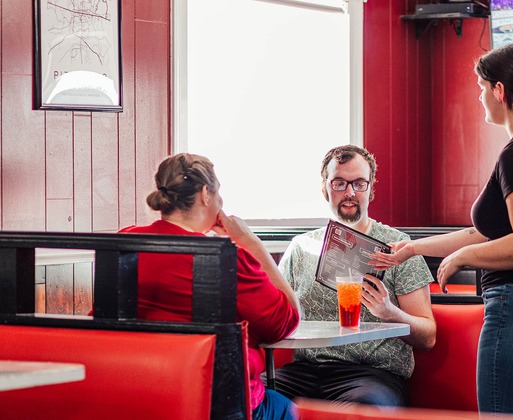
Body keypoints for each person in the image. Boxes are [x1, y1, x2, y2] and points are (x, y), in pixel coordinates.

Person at [370, 44, 513, 418]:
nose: (479, 96)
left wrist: (463, 258)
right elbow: (491, 232)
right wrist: (412, 249)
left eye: (481, 86)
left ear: (499, 90)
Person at [120, 153, 301, 420]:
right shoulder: (225, 257)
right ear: (206, 194)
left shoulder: (125, 241)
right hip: (216, 403)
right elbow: (285, 321)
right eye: (218, 192)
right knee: (289, 408)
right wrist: (251, 243)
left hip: (137, 392)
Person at [272, 144, 436, 407]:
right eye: (339, 183)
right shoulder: (301, 247)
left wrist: (389, 313)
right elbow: (275, 316)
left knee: (365, 406)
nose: (350, 193)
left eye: (359, 184)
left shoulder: (399, 247)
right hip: (303, 371)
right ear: (325, 188)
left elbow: (428, 337)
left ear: (371, 189)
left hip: (371, 375)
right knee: (241, 397)